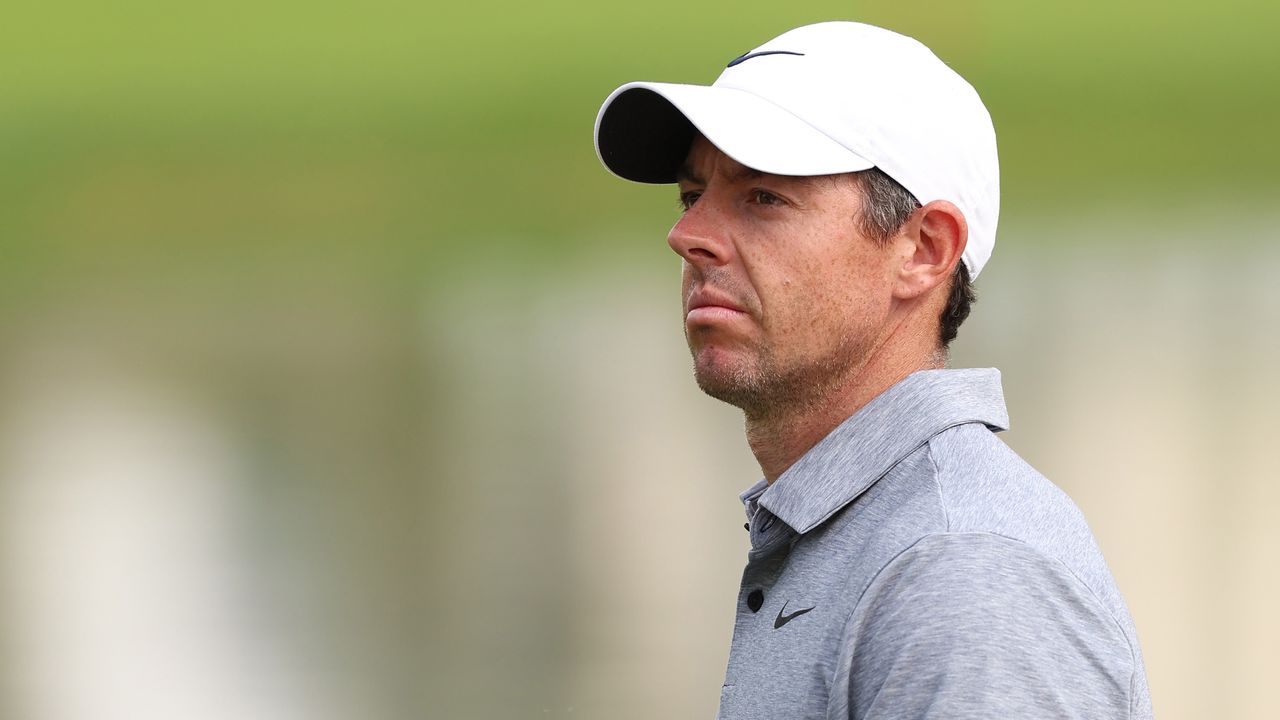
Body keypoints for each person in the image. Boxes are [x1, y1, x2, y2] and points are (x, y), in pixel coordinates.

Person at [592, 21, 1152, 720]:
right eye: (691, 195)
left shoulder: (963, 572)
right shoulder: (871, 533)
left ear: (923, 249)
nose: (688, 235)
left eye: (763, 196)